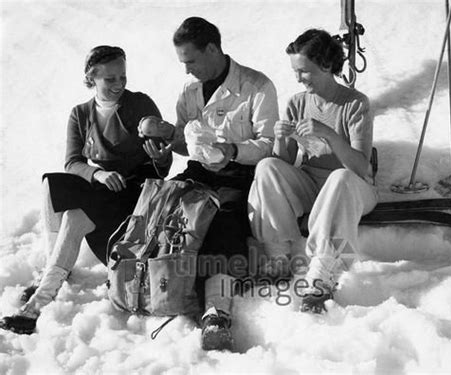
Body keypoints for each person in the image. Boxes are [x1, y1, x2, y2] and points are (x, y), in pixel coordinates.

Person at [0, 46, 171, 334]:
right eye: (110, 79)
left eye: (122, 77)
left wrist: (160, 156)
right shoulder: (80, 114)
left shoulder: (140, 104)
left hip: (135, 195)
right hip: (105, 187)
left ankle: (38, 305)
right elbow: (72, 162)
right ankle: (55, 269)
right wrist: (100, 174)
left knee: (75, 216)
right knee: (52, 184)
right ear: (91, 79)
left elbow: (162, 166)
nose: (119, 85)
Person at [148, 17, 279, 351]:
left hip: (239, 173)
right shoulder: (190, 91)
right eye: (183, 62)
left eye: (190, 60)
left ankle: (216, 313)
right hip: (200, 171)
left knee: (222, 219)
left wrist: (232, 150)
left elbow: (268, 145)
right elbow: (184, 143)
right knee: (159, 205)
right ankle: (157, 286)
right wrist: (167, 138)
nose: (187, 69)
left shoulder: (256, 86)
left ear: (212, 49)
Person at [248, 29, 377, 314]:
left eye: (304, 71)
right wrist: (283, 137)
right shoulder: (297, 102)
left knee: (339, 176)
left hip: (352, 188)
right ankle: (279, 255)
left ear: (327, 66)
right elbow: (283, 161)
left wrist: (329, 134)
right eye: (295, 71)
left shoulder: (355, 104)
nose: (298, 78)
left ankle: (323, 268)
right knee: (267, 166)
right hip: (311, 185)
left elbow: (360, 166)